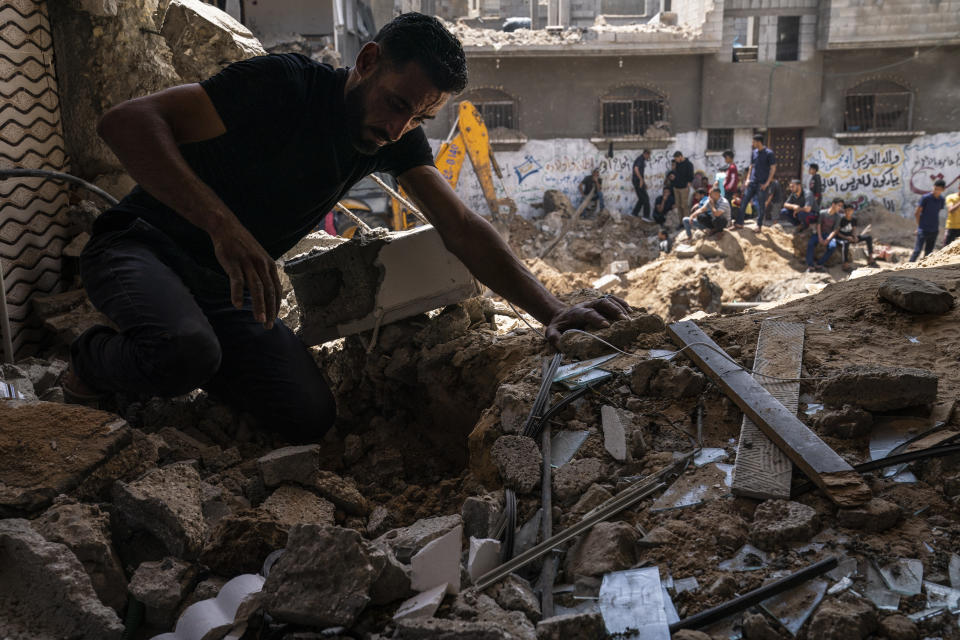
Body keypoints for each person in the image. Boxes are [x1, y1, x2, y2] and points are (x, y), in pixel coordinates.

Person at [61, 13, 629, 442]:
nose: (398, 126)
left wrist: (553, 310)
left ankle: (188, 358)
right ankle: (93, 362)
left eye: (419, 117)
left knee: (306, 415)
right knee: (183, 349)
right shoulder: (284, 84)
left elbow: (460, 226)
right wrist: (222, 226)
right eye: (396, 103)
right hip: (140, 247)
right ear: (367, 61)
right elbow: (127, 123)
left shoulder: (394, 136)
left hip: (225, 289)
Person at [734, 134, 777, 230]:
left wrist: (767, 183)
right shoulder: (754, 152)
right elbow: (751, 166)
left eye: (753, 142)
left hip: (762, 183)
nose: (752, 144)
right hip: (752, 182)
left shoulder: (769, 153)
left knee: (761, 205)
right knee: (744, 201)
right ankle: (739, 223)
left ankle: (759, 224)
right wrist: (748, 179)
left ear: (758, 142)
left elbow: (773, 168)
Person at [910, 179, 947, 262]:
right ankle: (904, 270)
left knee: (929, 253)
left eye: (938, 189)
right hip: (923, 229)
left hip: (934, 230)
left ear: (943, 190)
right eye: (935, 189)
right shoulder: (926, 198)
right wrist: (919, 226)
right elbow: (917, 213)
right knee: (917, 251)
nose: (936, 191)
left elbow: (936, 212)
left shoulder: (941, 199)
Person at [836, 202, 877, 271]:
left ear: (852, 211)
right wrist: (846, 237)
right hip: (842, 238)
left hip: (851, 237)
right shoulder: (841, 219)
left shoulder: (853, 219)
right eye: (847, 210)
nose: (848, 212)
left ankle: (870, 258)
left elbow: (854, 230)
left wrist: (855, 237)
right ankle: (845, 264)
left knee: (868, 238)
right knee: (845, 243)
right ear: (844, 211)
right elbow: (837, 232)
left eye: (850, 210)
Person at [806, 198, 844, 272]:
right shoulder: (822, 213)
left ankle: (819, 264)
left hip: (828, 235)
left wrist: (828, 239)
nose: (840, 208)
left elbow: (835, 230)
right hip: (819, 234)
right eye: (839, 205)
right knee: (810, 243)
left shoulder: (838, 217)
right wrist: (820, 237)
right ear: (833, 204)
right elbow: (819, 225)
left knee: (833, 246)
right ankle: (810, 265)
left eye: (841, 206)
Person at [672, 150, 694, 222]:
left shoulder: (688, 164)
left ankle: (686, 222)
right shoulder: (677, 164)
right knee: (678, 206)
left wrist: (689, 183)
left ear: (680, 157)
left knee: (684, 206)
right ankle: (681, 222)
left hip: (684, 188)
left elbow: (691, 175)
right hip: (676, 187)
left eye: (676, 159)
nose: (676, 160)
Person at [631, 149, 652, 219]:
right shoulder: (640, 159)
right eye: (649, 155)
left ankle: (634, 213)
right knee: (646, 199)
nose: (649, 157)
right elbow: (636, 169)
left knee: (641, 198)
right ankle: (646, 216)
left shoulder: (641, 159)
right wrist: (640, 180)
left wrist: (643, 182)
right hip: (637, 181)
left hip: (637, 181)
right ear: (646, 154)